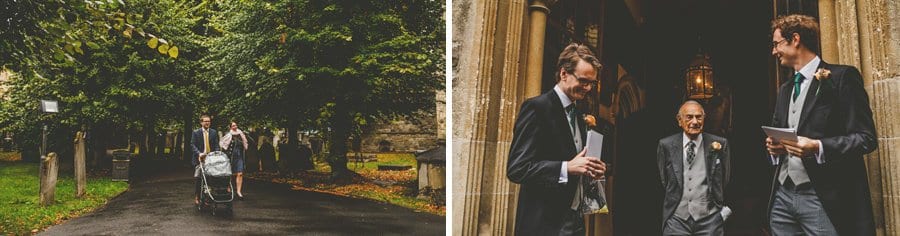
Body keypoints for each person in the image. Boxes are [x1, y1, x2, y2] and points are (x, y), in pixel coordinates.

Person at [765, 14, 878, 236]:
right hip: (783, 196)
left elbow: (866, 138)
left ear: (795, 39)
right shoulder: (785, 89)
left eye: (776, 44)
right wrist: (775, 148)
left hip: (823, 196)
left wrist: (818, 146)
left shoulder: (842, 78)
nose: (773, 51)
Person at [506, 43, 607, 235]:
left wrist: (593, 169)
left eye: (591, 83)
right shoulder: (537, 108)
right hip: (544, 224)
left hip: (575, 221)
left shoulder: (578, 115)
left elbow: (577, 163)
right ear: (563, 74)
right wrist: (566, 168)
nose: (588, 88)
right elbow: (517, 168)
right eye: (584, 81)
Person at [656, 100, 731, 236]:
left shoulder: (720, 144)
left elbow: (725, 179)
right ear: (679, 120)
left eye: (699, 116)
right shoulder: (665, 145)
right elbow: (663, 180)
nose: (695, 122)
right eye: (689, 117)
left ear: (704, 118)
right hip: (677, 220)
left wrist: (721, 214)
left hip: (710, 220)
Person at [191, 115, 220, 205]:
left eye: (209, 121)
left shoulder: (214, 132)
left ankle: (207, 197)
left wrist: (217, 153)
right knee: (199, 178)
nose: (207, 123)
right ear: (201, 122)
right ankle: (197, 196)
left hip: (210, 159)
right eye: (205, 121)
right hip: (200, 158)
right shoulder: (196, 132)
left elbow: (216, 145)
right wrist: (199, 153)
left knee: (209, 179)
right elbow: (192, 145)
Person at [221, 121, 248, 200]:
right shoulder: (229, 135)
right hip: (231, 156)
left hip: (239, 156)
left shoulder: (241, 134)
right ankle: (229, 189)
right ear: (230, 127)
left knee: (240, 173)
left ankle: (239, 192)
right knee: (230, 173)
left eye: (236, 125)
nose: (235, 126)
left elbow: (245, 143)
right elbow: (222, 143)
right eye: (233, 126)